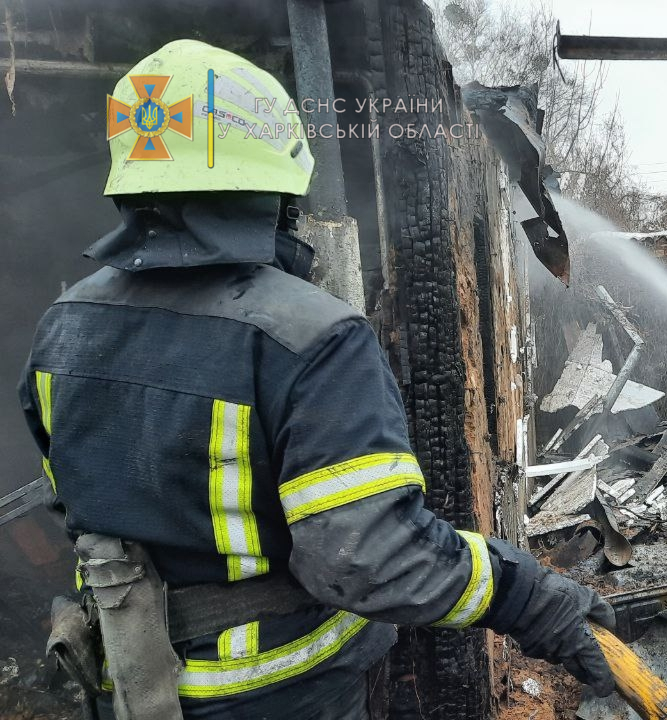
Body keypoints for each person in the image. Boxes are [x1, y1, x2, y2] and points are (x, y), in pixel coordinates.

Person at [18, 40, 613, 720]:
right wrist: (530, 597)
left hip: (125, 690)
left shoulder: (63, 326)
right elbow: (370, 559)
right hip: (278, 697)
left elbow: (72, 504)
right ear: (270, 179)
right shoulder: (313, 337)